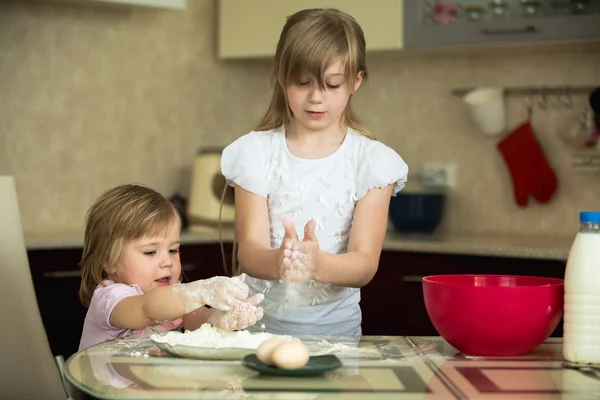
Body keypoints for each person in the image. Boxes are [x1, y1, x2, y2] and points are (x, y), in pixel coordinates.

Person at [221, 8, 409, 336]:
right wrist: (281, 261)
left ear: (356, 81)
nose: (316, 97)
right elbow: (249, 251)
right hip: (257, 339)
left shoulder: (373, 162)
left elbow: (365, 262)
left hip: (338, 342)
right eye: (302, 82)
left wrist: (318, 264)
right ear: (281, 75)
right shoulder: (255, 153)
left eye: (332, 84)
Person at [78, 184, 263, 351]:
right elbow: (147, 309)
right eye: (150, 252)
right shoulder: (109, 298)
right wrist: (199, 291)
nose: (167, 261)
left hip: (150, 385)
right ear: (109, 261)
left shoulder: (171, 295)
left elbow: (193, 317)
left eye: (173, 250)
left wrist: (218, 318)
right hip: (105, 388)